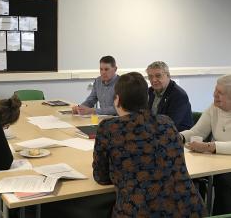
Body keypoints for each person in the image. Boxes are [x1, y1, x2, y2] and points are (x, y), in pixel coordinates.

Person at [93, 72, 206, 217]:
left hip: (140, 212)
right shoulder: (167, 122)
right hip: (189, 210)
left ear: (117, 100)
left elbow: (101, 177)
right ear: (147, 98)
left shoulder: (109, 128)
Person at [181, 74, 231, 215]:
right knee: (189, 178)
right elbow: (198, 132)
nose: (214, 95)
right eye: (215, 90)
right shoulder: (214, 108)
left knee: (225, 181)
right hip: (219, 161)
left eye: (220, 93)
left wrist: (211, 146)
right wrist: (178, 137)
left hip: (226, 166)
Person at [146, 61, 193, 131]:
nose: (154, 80)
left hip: (177, 135)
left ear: (168, 75)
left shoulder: (179, 95)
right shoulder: (149, 91)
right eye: (150, 77)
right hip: (156, 132)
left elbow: (171, 124)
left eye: (158, 76)